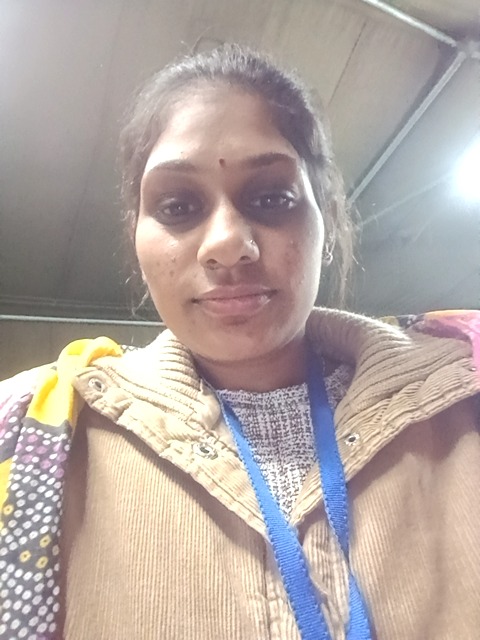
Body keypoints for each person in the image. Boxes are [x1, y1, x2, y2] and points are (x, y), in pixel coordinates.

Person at [0, 44, 479, 640]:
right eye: (178, 206)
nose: (227, 244)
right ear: (137, 239)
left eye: (272, 198)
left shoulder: (462, 396)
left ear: (327, 220)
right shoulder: (29, 434)